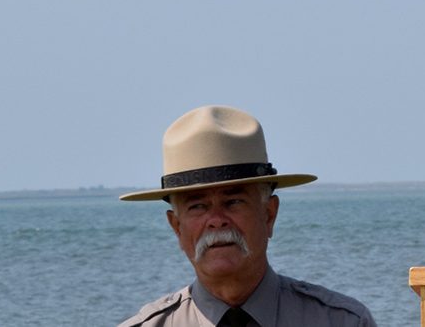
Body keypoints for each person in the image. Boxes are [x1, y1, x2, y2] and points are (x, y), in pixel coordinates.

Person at [118, 105, 376, 326]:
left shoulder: (341, 322)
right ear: (176, 227)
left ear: (269, 214)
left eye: (233, 201)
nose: (217, 219)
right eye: (198, 206)